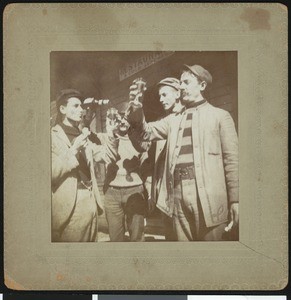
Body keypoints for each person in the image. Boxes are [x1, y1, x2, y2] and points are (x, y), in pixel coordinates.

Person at [127, 65, 239, 241]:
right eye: (180, 83)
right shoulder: (173, 120)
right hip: (177, 195)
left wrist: (235, 200)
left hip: (209, 195)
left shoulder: (220, 116)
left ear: (202, 86)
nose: (181, 87)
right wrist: (136, 106)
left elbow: (232, 161)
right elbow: (145, 132)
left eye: (186, 82)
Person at [51, 89, 118, 242]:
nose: (81, 110)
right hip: (70, 206)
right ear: (62, 109)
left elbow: (107, 156)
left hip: (90, 200)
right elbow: (48, 174)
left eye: (81, 106)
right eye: (75, 106)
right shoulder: (52, 136)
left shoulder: (83, 135)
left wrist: (112, 134)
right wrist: (73, 151)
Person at [143, 77, 184, 240]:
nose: (161, 99)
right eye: (160, 96)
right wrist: (153, 189)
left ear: (177, 94)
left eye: (165, 95)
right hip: (165, 193)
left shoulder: (188, 118)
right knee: (171, 238)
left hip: (184, 190)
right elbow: (154, 160)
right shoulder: (163, 123)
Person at [103, 106, 149, 242]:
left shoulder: (139, 141)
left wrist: (149, 193)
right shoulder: (106, 138)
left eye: (126, 117)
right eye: (119, 117)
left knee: (137, 236)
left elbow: (147, 167)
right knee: (115, 237)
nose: (122, 121)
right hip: (112, 193)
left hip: (134, 190)